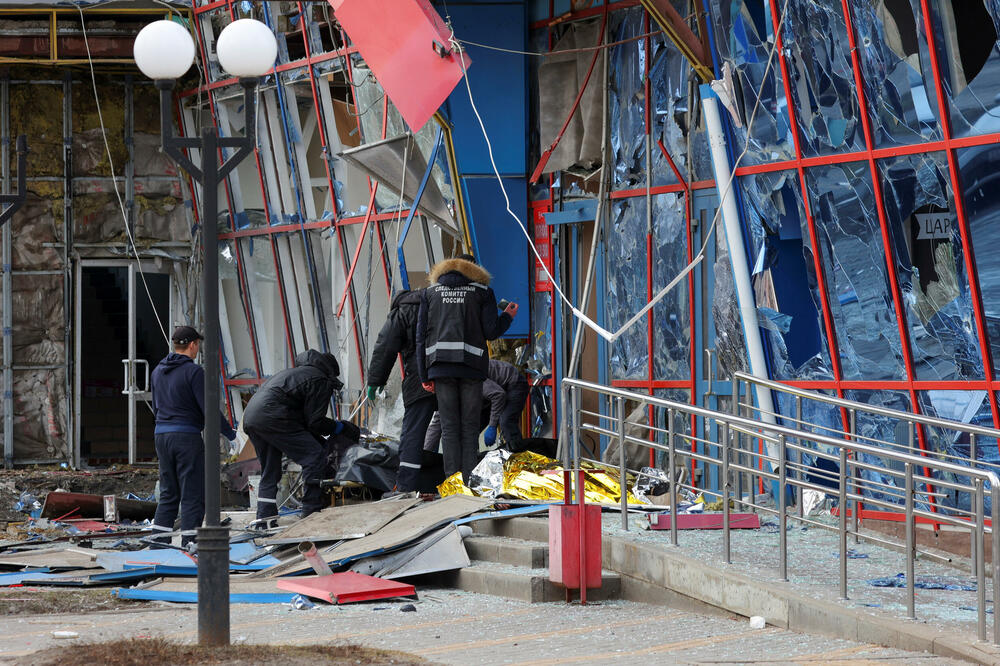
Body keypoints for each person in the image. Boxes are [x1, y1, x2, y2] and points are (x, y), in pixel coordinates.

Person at [416, 254, 518, 485]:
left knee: (449, 426)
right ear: (474, 270)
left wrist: (424, 375)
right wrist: (508, 317)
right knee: (469, 427)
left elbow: (420, 337)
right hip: (471, 369)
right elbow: (491, 332)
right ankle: (469, 480)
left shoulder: (430, 294)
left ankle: (452, 482)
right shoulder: (482, 293)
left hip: (440, 369)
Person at [242, 349, 359, 521]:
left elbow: (303, 421)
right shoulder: (321, 379)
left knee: (270, 470)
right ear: (331, 372)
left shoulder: (295, 374)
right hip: (274, 417)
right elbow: (315, 422)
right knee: (314, 456)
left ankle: (264, 518)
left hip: (252, 417)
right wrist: (339, 427)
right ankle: (311, 512)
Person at [150, 325, 237, 548]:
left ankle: (158, 544)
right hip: (186, 437)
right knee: (192, 492)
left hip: (161, 435)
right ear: (192, 345)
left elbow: (157, 406)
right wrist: (230, 434)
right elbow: (208, 408)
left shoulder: (158, 370)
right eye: (198, 344)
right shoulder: (194, 372)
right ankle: (190, 543)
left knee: (169, 492)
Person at [367, 289, 435, 494]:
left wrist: (376, 380)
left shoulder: (403, 311)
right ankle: (456, 482)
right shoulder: (438, 304)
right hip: (453, 376)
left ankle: (406, 487)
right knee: (453, 430)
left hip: (419, 377)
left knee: (413, 432)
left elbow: (385, 346)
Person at [424, 359, 529, 455]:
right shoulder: (444, 393)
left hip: (513, 383)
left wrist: (492, 426)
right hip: (489, 396)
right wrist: (426, 455)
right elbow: (436, 425)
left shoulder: (465, 378)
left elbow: (498, 395)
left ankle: (519, 460)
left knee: (506, 421)